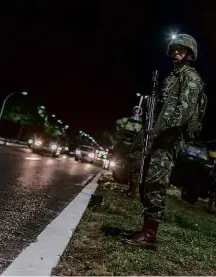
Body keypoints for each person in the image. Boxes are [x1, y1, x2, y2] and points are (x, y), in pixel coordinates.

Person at [122, 34, 206, 249]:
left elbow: (184, 112)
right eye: (174, 49)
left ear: (189, 54)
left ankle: (150, 234)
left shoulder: (191, 78)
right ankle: (145, 228)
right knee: (146, 181)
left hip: (169, 138)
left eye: (181, 49)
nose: (176, 52)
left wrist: (160, 130)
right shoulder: (172, 77)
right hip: (158, 136)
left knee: (156, 183)